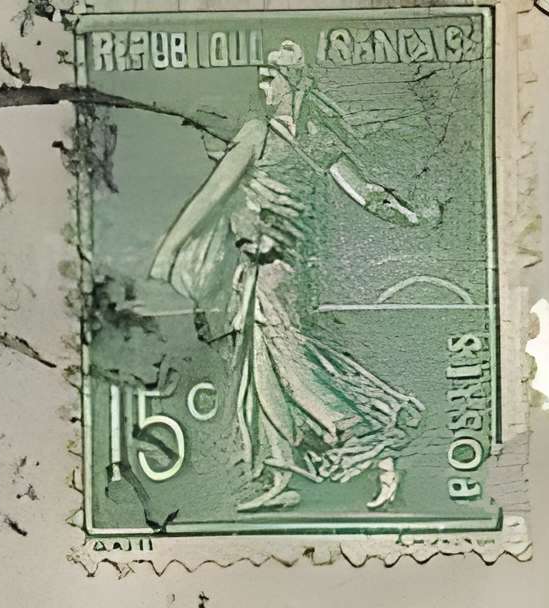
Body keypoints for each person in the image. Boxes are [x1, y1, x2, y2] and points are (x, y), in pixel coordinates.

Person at [144, 42, 432, 511]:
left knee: (295, 370)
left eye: (271, 77)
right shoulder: (311, 138)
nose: (263, 86)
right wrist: (411, 217)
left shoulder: (261, 133)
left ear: (295, 81)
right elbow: (366, 194)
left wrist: (168, 252)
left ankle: (370, 430)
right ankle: (283, 477)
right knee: (266, 372)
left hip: (274, 273)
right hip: (274, 271)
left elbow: (211, 195)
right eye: (261, 77)